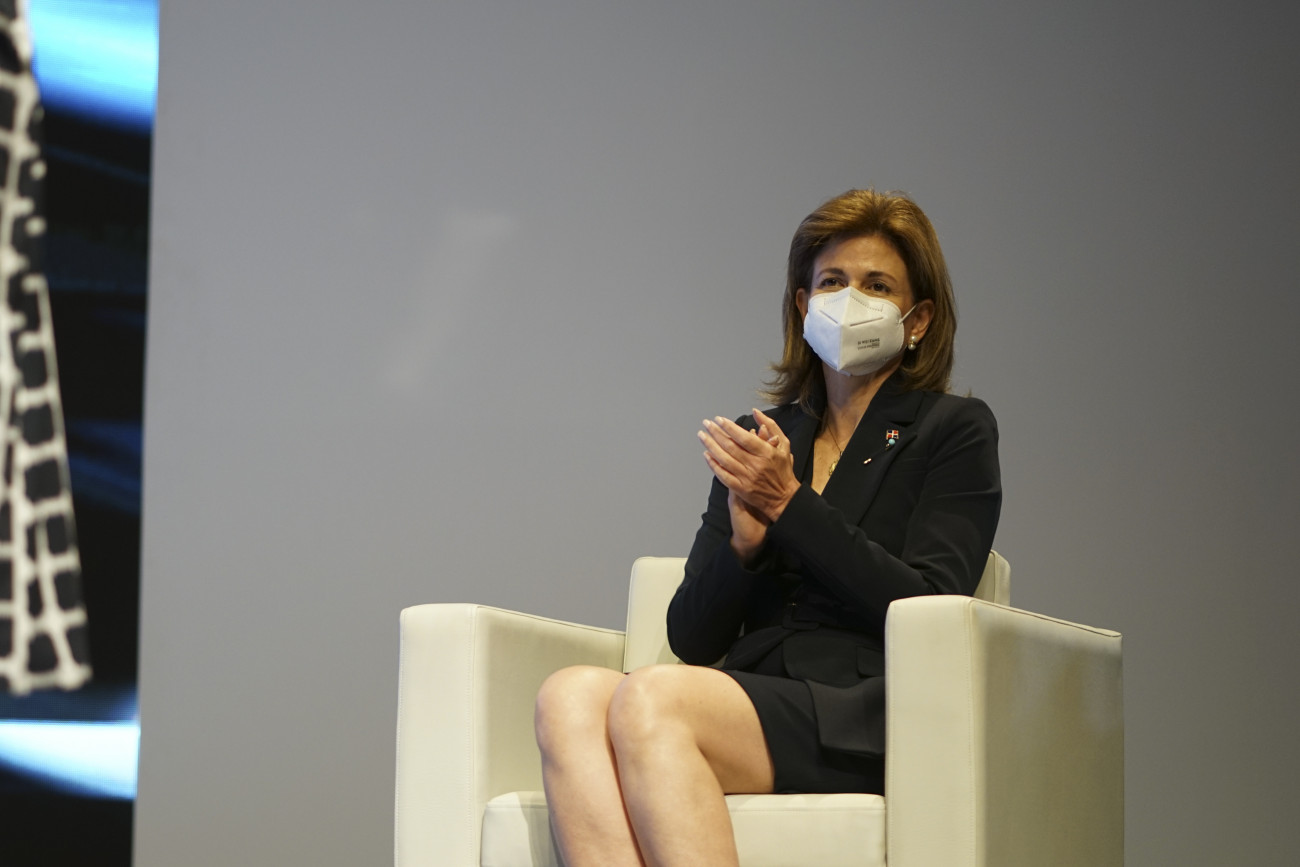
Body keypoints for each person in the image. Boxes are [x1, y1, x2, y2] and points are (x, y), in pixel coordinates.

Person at [534, 188, 1001, 867]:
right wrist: (745, 547)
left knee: (653, 697)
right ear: (803, 304)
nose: (850, 300)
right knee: (568, 697)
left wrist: (790, 505)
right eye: (832, 282)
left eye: (877, 286)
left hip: (862, 708)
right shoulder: (762, 437)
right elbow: (693, 637)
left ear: (919, 318)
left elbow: (930, 605)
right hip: (754, 693)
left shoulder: (952, 430)